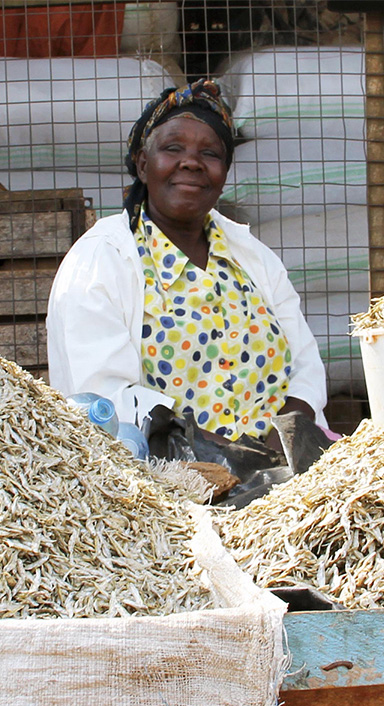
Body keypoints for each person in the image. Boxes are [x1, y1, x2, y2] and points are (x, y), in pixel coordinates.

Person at [46, 79, 330, 452]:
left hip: (281, 465)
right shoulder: (103, 258)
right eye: (173, 148)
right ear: (143, 165)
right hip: (165, 477)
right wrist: (225, 457)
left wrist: (282, 444)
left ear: (224, 173)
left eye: (210, 154)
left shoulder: (251, 256)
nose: (191, 162)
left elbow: (305, 367)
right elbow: (105, 395)